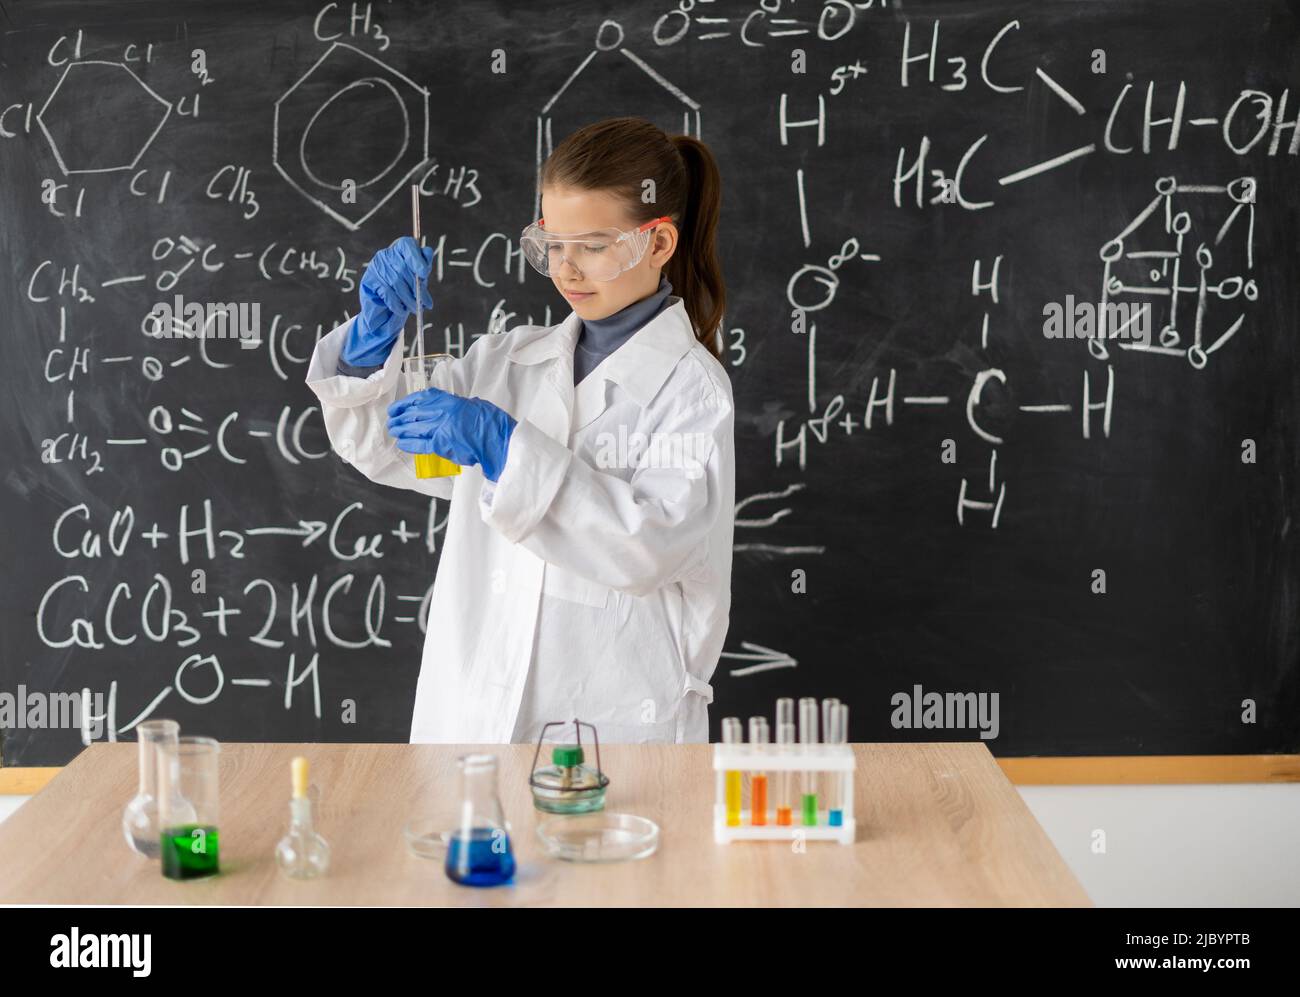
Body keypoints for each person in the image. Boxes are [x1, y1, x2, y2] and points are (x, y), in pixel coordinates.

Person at [305, 117, 734, 743]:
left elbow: (646, 550)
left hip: (613, 724)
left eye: (592, 245)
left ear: (659, 244)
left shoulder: (690, 388)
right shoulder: (507, 362)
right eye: (552, 244)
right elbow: (384, 445)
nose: (567, 270)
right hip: (472, 715)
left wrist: (509, 450)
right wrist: (371, 342)